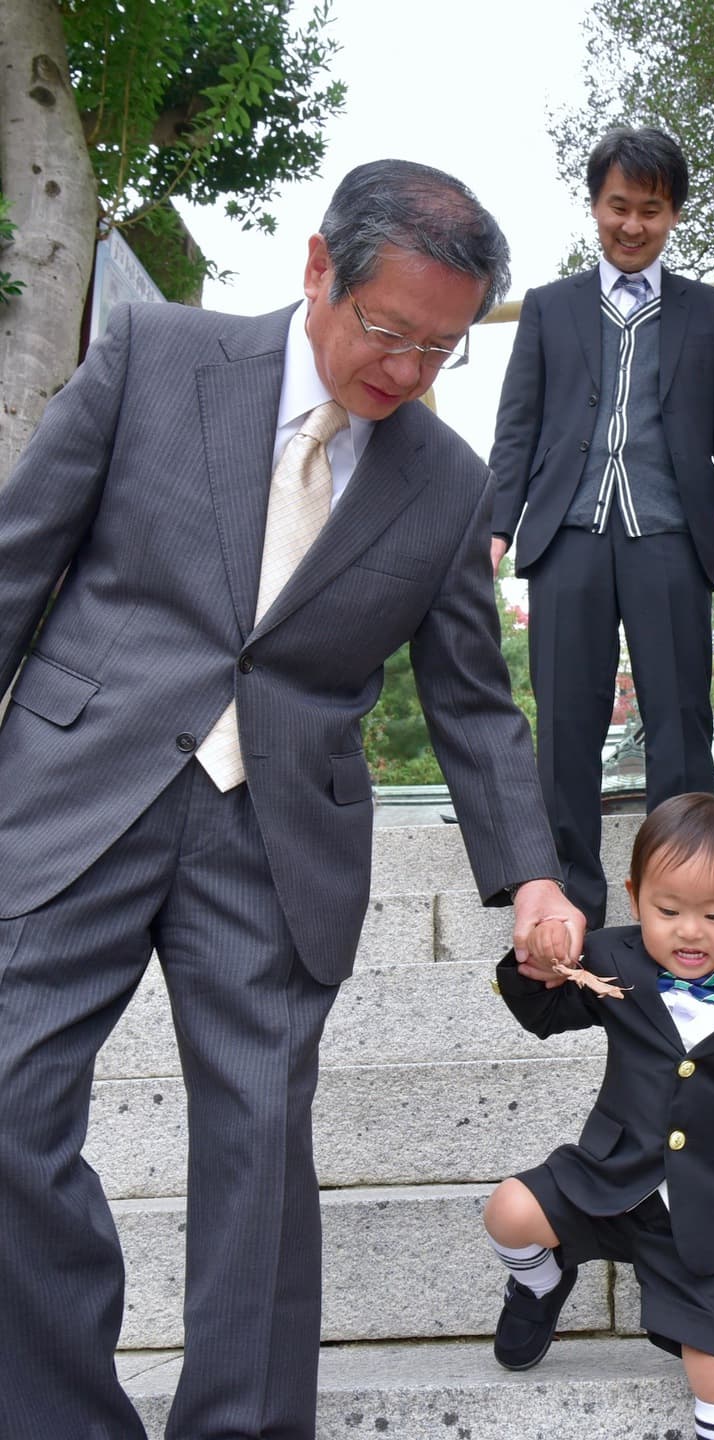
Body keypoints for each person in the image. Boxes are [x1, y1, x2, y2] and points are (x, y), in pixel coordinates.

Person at [0, 159, 584, 1440]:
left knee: (260, 1160)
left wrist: (533, 873)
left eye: (444, 349)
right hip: (75, 793)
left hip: (274, 839)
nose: (409, 372)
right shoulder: (153, 354)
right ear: (319, 267)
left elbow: (475, 701)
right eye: (389, 332)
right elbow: (15, 563)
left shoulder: (446, 481)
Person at [486, 792, 714, 1440]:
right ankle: (541, 1284)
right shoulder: (611, 960)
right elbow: (543, 1016)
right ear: (635, 898)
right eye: (668, 911)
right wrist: (536, 968)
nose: (690, 931)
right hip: (612, 1178)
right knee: (509, 1211)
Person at [489, 126, 714, 930]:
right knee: (566, 720)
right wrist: (497, 525)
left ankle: (690, 888)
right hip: (567, 532)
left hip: (669, 532)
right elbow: (518, 427)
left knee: (681, 719)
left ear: (674, 214)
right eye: (619, 207)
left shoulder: (709, 313)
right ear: (594, 207)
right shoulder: (549, 309)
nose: (632, 225)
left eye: (651, 210)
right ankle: (568, 893)